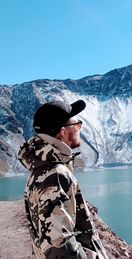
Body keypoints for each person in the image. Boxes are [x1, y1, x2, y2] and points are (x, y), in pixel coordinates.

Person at [18, 100, 108, 259]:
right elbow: (60, 246)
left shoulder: (40, 170)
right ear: (63, 132)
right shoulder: (56, 175)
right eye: (78, 125)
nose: (79, 129)